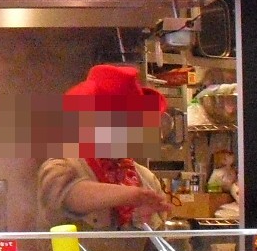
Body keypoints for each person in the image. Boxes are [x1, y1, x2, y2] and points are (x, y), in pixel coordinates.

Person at [38, 64, 175, 233]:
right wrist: (132, 195)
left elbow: (156, 245)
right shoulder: (63, 165)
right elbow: (69, 194)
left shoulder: (147, 178)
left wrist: (142, 222)